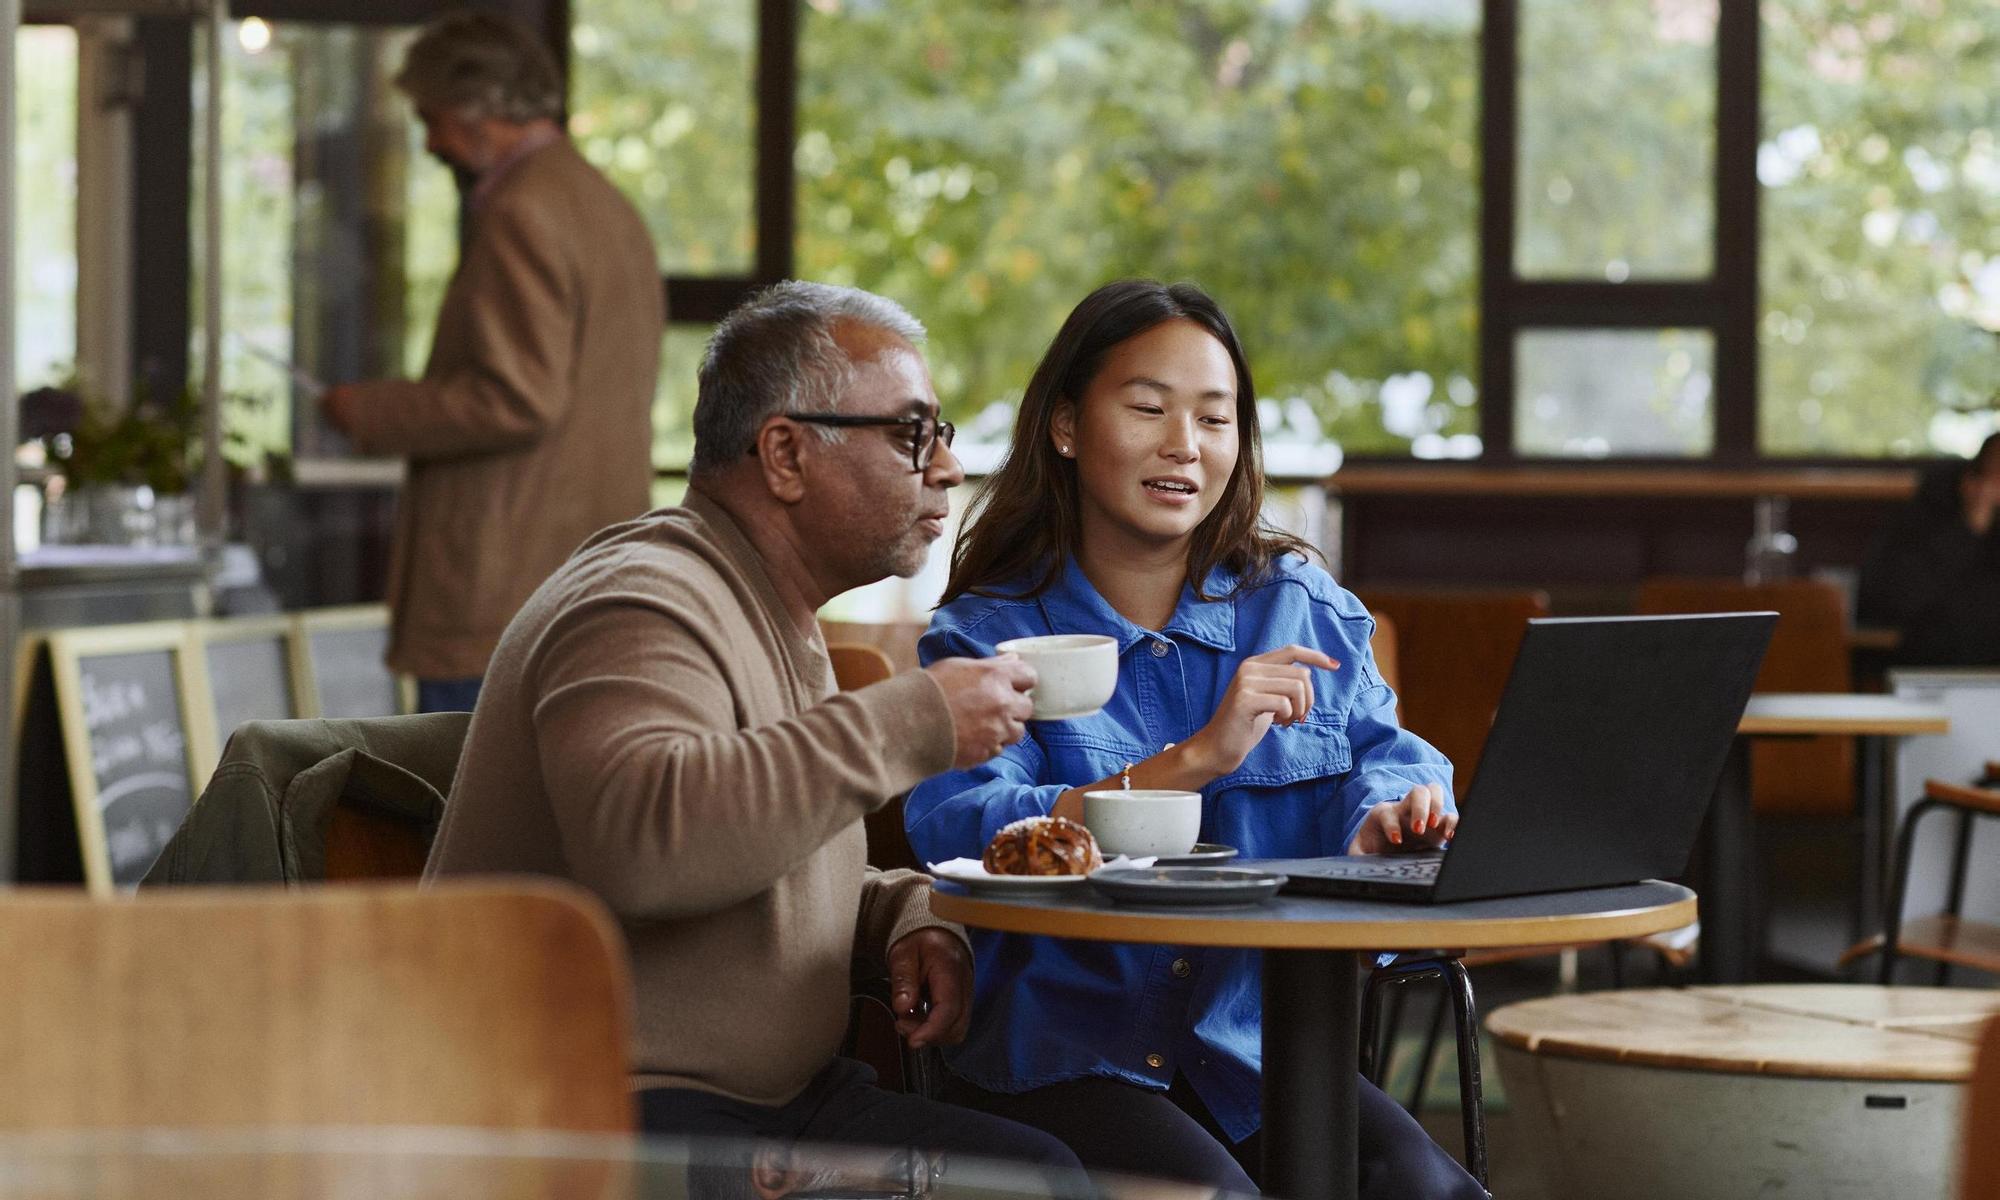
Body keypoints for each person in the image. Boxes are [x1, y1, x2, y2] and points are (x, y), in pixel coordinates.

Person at [423, 281, 1087, 1186]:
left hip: (764, 1103)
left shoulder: (772, 605)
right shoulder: (643, 599)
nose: (946, 470)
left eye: (942, 436)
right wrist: (919, 716)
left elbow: (760, 847)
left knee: (1045, 1172)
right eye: (910, 434)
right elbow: (649, 846)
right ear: (784, 454)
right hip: (603, 1117)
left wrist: (900, 914)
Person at [904, 280, 1486, 1198]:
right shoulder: (986, 636)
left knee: (1424, 1188)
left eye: (1215, 420)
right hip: (1067, 1057)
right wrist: (1188, 765)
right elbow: (960, 827)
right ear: (1066, 425)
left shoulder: (1300, 604)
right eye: (1148, 409)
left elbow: (1394, 758)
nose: (1185, 446)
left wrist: (1392, 819)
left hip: (1257, 1052)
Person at [320, 11, 665, 714]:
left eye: (432, 117)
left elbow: (518, 397)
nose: (430, 141)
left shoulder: (519, 212)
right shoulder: (604, 204)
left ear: (477, 109)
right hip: (582, 573)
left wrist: (370, 410)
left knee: (460, 808)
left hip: (501, 587)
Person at [1858, 431, 2000, 666]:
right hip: (1937, 669)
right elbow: (1897, 600)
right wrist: (1972, 526)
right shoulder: (1929, 516)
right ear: (1971, 481)